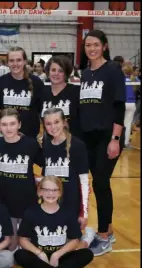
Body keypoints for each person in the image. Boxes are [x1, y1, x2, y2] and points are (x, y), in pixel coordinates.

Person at [78, 30, 126, 256]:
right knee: (87, 182)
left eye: (96, 44)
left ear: (105, 46)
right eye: (88, 45)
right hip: (88, 137)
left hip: (108, 136)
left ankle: (105, 235)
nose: (92, 48)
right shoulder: (86, 73)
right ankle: (109, 230)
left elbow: (119, 106)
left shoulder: (113, 70)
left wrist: (115, 139)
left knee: (100, 182)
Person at [14, 176, 94, 268]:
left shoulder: (68, 212)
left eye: (54, 190)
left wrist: (57, 254)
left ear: (60, 192)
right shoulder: (31, 212)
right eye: (46, 190)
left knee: (87, 254)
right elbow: (22, 239)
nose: (50, 193)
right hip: (39, 258)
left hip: (60, 257)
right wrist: (39, 253)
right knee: (19, 255)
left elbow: (75, 240)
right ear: (40, 191)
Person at [0, 108, 42, 250]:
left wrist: (42, 185)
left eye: (12, 124)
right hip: (5, 202)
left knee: (28, 245)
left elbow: (45, 164)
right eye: (4, 124)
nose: (8, 128)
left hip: (28, 201)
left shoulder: (31, 144)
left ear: (19, 125)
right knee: (9, 247)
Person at [40, 108, 91, 236]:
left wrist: (84, 213)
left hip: (71, 204)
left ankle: (88, 238)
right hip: (51, 204)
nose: (53, 127)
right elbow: (46, 176)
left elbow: (84, 182)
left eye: (56, 122)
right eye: (48, 123)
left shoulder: (77, 145)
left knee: (70, 246)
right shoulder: (46, 144)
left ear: (64, 122)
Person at [0, 47, 44, 140]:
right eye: (11, 60)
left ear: (25, 61)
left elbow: (41, 111)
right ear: (7, 62)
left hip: (29, 136)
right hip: (5, 135)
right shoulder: (0, 82)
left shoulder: (37, 83)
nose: (15, 64)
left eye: (19, 60)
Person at [40, 55, 82, 137]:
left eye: (60, 71)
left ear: (66, 73)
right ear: (48, 72)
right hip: (48, 143)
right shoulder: (42, 92)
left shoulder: (76, 91)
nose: (56, 73)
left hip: (71, 142)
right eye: (53, 70)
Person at [122, 64, 139, 147]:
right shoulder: (134, 79)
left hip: (123, 102)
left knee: (119, 123)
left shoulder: (121, 80)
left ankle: (119, 141)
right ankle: (126, 142)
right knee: (128, 124)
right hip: (132, 104)